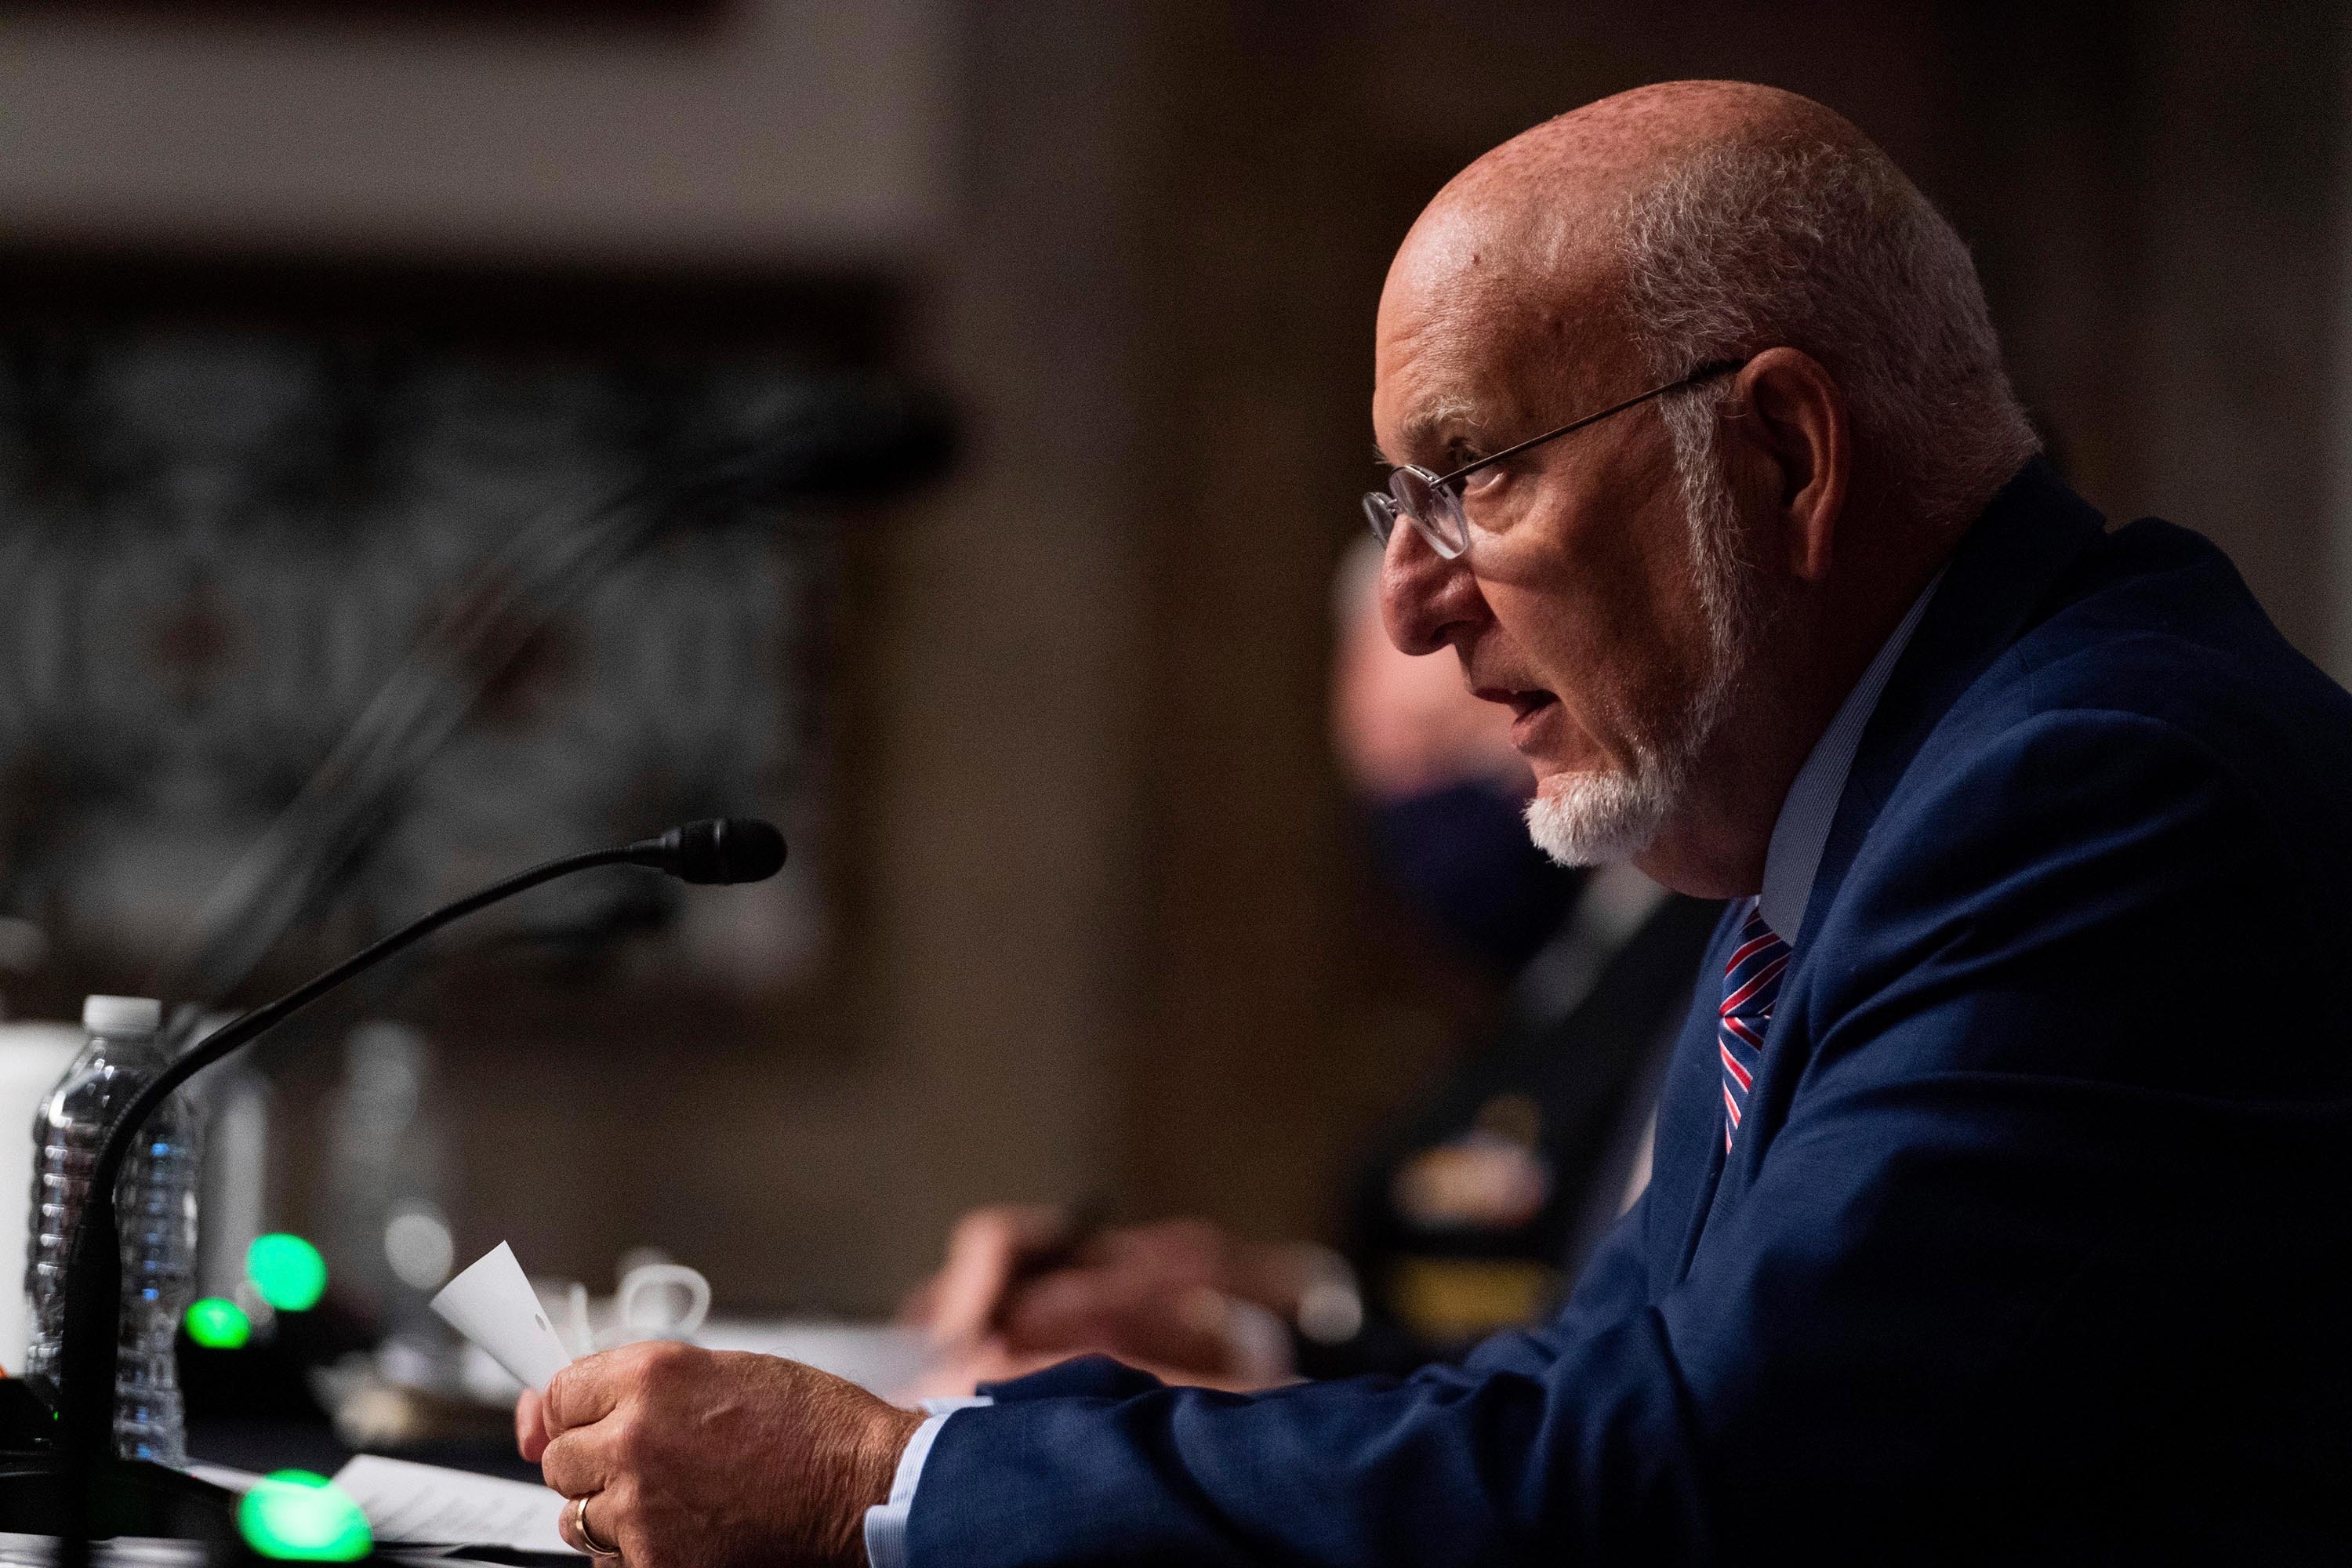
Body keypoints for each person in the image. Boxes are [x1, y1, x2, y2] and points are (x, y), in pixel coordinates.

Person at [516, 80, 2352, 1564]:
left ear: (1782, 458)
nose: (1407, 602)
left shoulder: (2092, 797)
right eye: (1396, 499)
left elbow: (1687, 1477)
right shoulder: (1843, 787)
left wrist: (895, 1480)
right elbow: (1597, 1377)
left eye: (1473, 476)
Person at [897, 543, 1721, 1398]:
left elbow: (1597, 1368)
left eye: (1441, 751)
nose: (1418, 807)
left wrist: (1250, 1351)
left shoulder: (1712, 947)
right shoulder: (1542, 981)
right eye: (1382, 770)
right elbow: (1438, 1277)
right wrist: (1248, 1291)